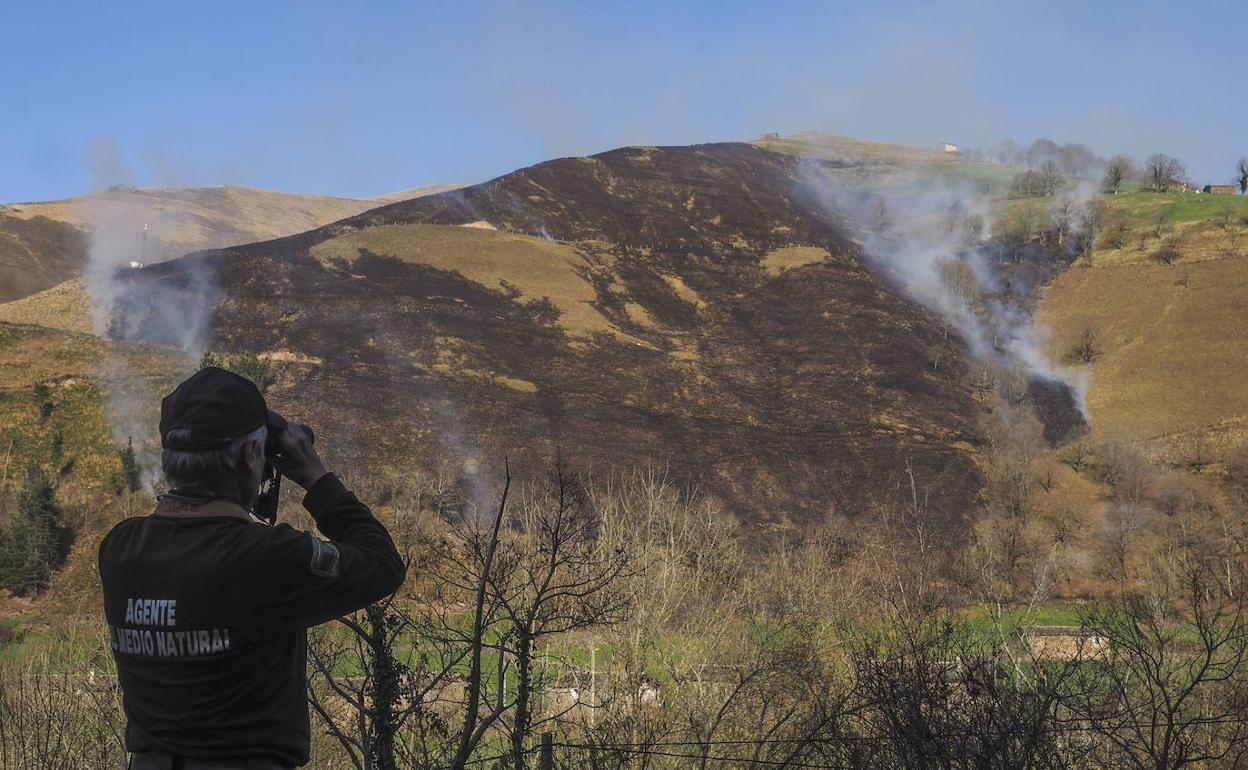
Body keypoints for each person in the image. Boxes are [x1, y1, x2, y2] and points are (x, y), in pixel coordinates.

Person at [99, 367, 406, 769]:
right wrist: (314, 474)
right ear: (249, 455)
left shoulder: (120, 548)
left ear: (171, 458)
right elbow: (382, 563)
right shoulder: (261, 558)